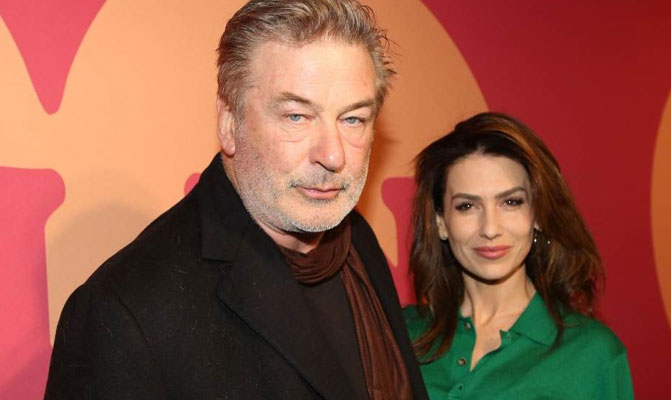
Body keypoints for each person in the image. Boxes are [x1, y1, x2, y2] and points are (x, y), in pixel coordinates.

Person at [44, 1, 429, 399]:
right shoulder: (124, 312)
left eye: (353, 119)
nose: (333, 156)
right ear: (229, 122)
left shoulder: (357, 241)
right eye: (296, 116)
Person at [403, 112, 634, 399]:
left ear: (537, 214)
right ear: (441, 222)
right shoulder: (399, 333)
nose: (490, 229)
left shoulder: (593, 354)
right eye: (467, 206)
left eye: (511, 202)